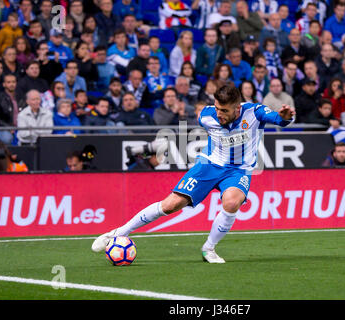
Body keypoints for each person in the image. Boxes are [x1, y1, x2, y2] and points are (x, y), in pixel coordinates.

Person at [91, 83, 296, 264]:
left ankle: (208, 248)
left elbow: (280, 119)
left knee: (232, 202)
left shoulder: (254, 112)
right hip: (208, 165)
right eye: (217, 108)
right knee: (170, 205)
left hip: (238, 169)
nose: (219, 114)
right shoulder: (206, 116)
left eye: (224, 110)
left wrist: (286, 117)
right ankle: (117, 233)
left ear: (238, 107)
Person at [0, 74, 20, 145]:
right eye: (9, 82)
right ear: (4, 84)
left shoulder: (21, 97)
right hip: (3, 127)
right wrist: (9, 128)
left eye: (13, 82)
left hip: (20, 127)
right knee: (8, 139)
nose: (12, 84)